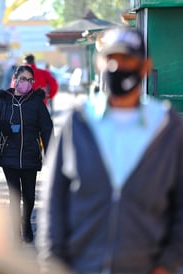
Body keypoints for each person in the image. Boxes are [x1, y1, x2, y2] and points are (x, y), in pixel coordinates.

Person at [36, 27, 183, 274]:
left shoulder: (167, 128)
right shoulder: (80, 122)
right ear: (99, 63)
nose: (117, 67)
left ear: (145, 66)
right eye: (110, 59)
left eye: (127, 59)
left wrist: (167, 264)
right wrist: (52, 264)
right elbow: (54, 202)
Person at [0, 65, 53, 243]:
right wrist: (1, 125)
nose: (26, 83)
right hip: (9, 156)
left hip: (30, 155)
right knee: (14, 195)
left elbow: (47, 128)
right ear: (15, 79)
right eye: (22, 79)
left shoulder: (36, 102)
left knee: (29, 195)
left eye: (30, 80)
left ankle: (26, 223)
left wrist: (51, 152)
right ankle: (15, 233)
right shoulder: (3, 100)